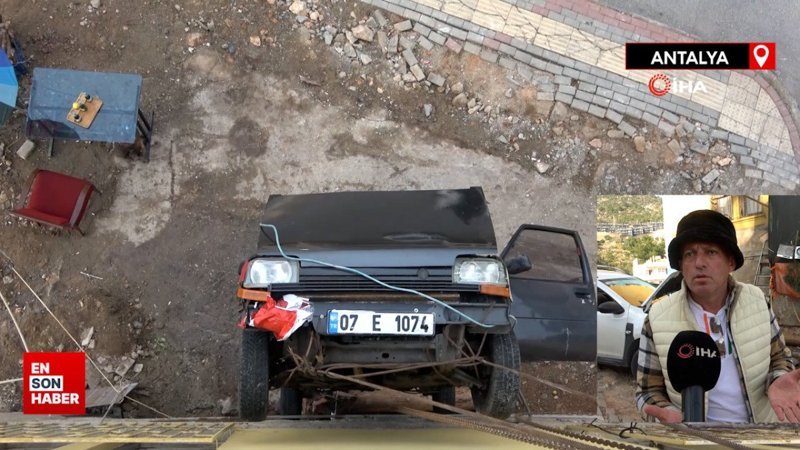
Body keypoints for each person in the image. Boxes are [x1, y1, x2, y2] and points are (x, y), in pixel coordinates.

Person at [635, 209, 800, 423]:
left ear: (731, 262)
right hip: (694, 442)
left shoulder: (757, 301)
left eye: (711, 252)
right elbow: (647, 391)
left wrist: (778, 379)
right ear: (681, 264)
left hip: (758, 436)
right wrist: (665, 416)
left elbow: (780, 358)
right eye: (690, 254)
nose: (699, 263)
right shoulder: (657, 317)